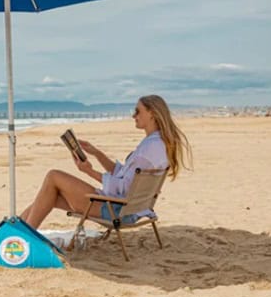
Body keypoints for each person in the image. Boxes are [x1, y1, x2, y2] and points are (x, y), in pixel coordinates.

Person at [20, 94, 192, 229]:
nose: (134, 116)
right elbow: (124, 175)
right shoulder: (158, 144)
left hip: (116, 210)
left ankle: (22, 237)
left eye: (138, 111)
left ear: (152, 113)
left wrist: (88, 171)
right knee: (50, 197)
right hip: (132, 208)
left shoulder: (149, 149)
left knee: (53, 176)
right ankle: (15, 231)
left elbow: (123, 188)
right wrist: (97, 153)